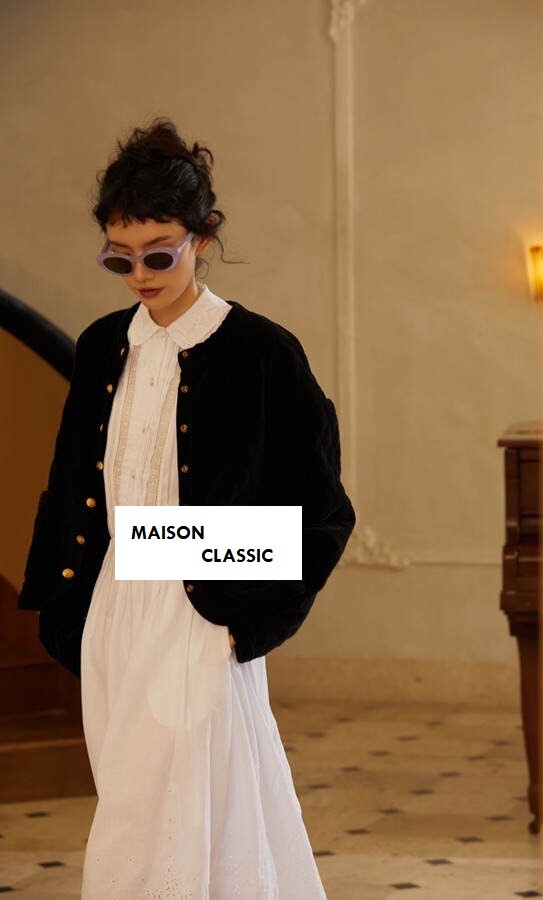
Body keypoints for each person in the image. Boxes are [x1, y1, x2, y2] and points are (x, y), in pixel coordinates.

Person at [17, 117, 355, 898]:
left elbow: (323, 510)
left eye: (158, 253)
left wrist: (246, 627)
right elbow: (69, 483)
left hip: (202, 611)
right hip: (112, 611)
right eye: (119, 256)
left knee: (173, 813)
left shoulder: (263, 352)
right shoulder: (102, 345)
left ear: (201, 238)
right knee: (138, 805)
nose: (139, 273)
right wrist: (63, 612)